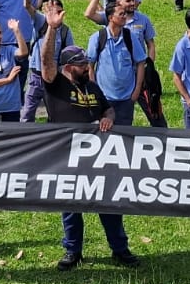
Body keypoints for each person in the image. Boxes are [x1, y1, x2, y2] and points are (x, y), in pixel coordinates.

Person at [39, 40, 140, 271]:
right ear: (67, 67)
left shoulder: (92, 87)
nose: (87, 67)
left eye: (86, 62)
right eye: (81, 64)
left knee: (109, 203)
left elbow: (108, 108)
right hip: (68, 157)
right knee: (71, 205)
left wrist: (108, 118)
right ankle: (73, 251)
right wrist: (52, 29)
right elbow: (45, 63)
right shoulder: (56, 86)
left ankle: (119, 249)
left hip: (98, 157)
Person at [85, 1, 147, 126]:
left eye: (125, 14)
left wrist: (136, 91)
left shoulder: (130, 37)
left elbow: (141, 63)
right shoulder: (97, 38)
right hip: (105, 99)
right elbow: (89, 66)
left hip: (126, 99)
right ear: (110, 18)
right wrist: (95, 91)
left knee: (124, 134)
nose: (125, 16)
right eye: (121, 14)